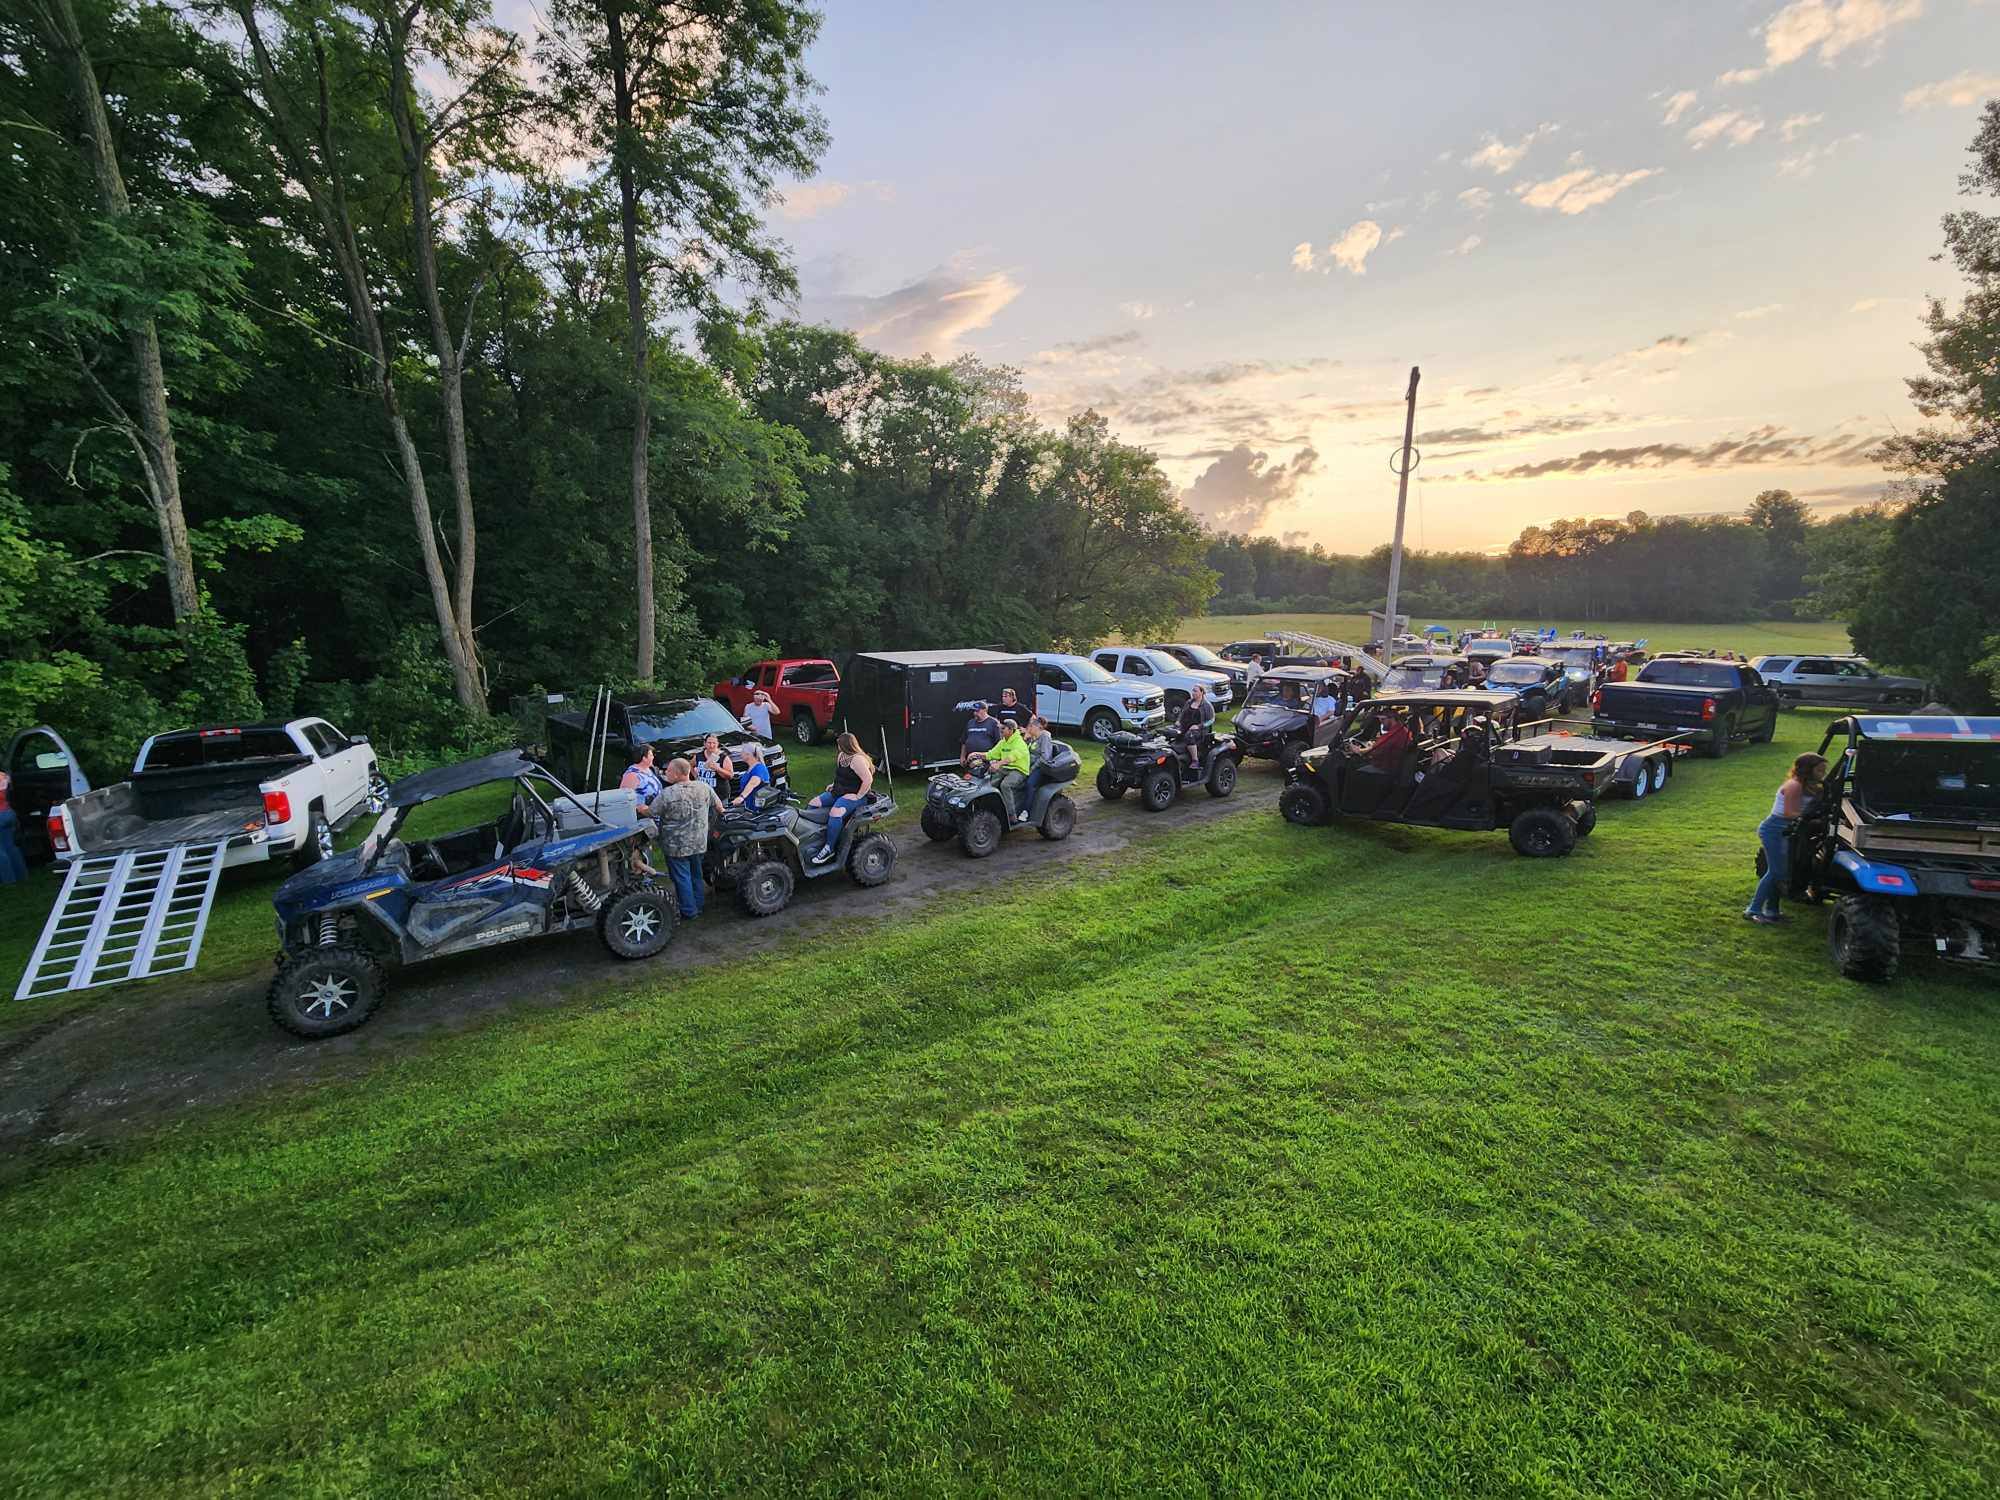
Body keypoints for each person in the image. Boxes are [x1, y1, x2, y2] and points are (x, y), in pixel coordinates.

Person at [1745, 752, 1828, 925]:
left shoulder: (1810, 786)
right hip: (1775, 829)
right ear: (1808, 769)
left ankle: (1772, 911)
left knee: (1778, 872)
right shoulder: (1794, 786)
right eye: (1819, 770)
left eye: (1824, 770)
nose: (1823, 774)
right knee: (1777, 872)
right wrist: (1814, 819)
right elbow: (1789, 813)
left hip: (1789, 831)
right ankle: (1753, 910)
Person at [656, 757, 725, 920]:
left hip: (676, 846)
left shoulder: (667, 794)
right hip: (699, 842)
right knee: (696, 874)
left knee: (682, 878)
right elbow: (719, 807)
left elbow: (651, 812)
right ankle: (698, 905)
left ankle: (689, 911)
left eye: (668, 771)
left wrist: (640, 807)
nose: (666, 773)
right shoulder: (704, 787)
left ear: (677, 774)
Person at [808, 732, 875, 865]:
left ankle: (829, 847)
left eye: (839, 744)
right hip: (839, 791)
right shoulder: (841, 756)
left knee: (836, 812)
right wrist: (833, 785)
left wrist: (858, 796)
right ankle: (817, 837)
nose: (837, 746)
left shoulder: (857, 760)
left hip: (856, 794)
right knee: (813, 803)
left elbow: (868, 780)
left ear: (846, 745)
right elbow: (841, 775)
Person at [1014, 714, 1075, 823]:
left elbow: (1044, 757)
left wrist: (1031, 769)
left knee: (1030, 784)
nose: (1028, 729)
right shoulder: (1032, 738)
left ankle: (1025, 811)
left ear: (1038, 727)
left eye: (1031, 727)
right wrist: (1025, 739)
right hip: (1029, 765)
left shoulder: (1044, 737)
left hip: (1041, 767)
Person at [618, 743, 666, 873]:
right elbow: (624, 797)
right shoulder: (632, 774)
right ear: (643, 758)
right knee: (642, 846)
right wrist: (639, 807)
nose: (653, 756)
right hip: (641, 816)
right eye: (651, 754)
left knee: (651, 846)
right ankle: (642, 872)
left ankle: (648, 868)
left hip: (654, 813)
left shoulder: (649, 769)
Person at [988, 716, 1033, 817]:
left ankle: (1011, 814)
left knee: (1006, 785)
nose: (1000, 730)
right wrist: (977, 754)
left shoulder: (1019, 742)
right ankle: (993, 809)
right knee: (989, 783)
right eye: (1000, 728)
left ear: (1011, 730)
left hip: (1019, 770)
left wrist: (998, 764)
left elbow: (1012, 757)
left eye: (1003, 728)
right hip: (1006, 768)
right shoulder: (1003, 742)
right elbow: (991, 754)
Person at [0, 768, 26, 885]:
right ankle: (21, 876)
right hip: (8, 812)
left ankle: (8, 880)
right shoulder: (3, 775)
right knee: (11, 847)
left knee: (1, 851)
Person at [730, 742, 773, 811]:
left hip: (758, 809)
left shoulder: (759, 768)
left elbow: (752, 783)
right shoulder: (751, 768)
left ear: (748, 755)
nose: (741, 754)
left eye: (742, 752)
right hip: (749, 806)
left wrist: (741, 797)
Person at [694, 734, 735, 798]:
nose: (711, 745)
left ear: (717, 744)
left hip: (719, 795)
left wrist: (718, 769)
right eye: (709, 743)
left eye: (714, 743)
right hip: (703, 794)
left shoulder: (723, 757)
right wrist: (695, 775)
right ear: (704, 743)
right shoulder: (698, 756)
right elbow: (690, 765)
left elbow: (731, 775)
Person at [961, 701, 1001, 765]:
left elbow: (999, 742)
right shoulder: (970, 723)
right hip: (971, 759)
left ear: (985, 710)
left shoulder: (993, 723)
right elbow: (964, 741)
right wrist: (962, 756)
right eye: (974, 711)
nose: (975, 713)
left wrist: (996, 758)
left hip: (987, 759)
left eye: (977, 711)